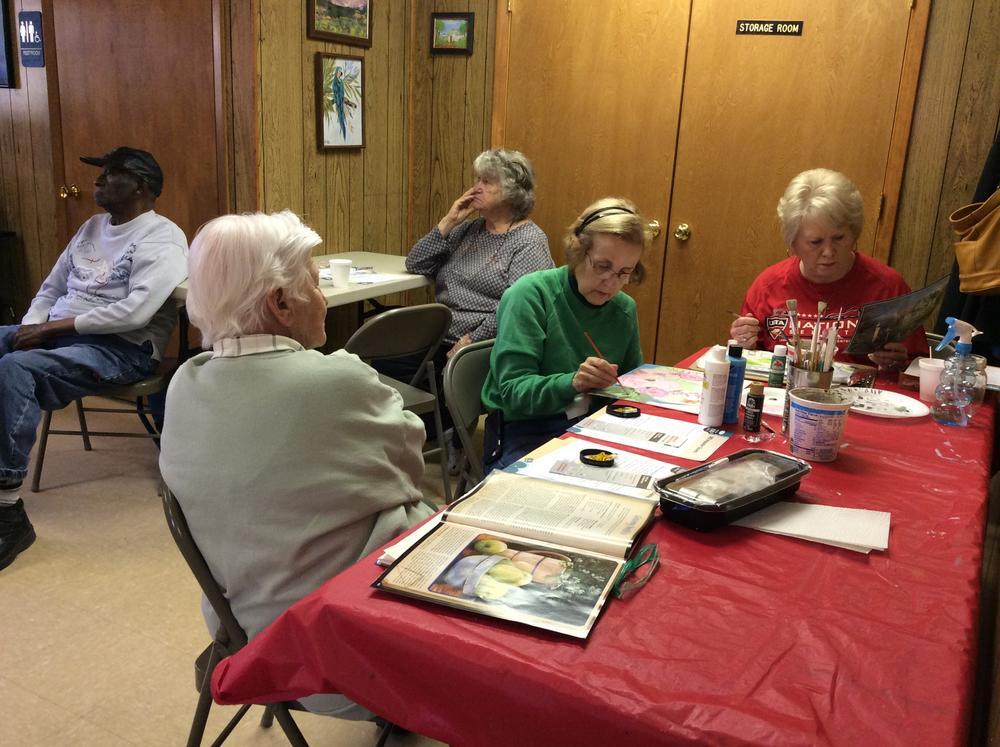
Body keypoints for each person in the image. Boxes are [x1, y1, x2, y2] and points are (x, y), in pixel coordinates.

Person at [159, 211, 434, 719]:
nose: (323, 295)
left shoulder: (184, 384)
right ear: (280, 303)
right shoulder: (337, 382)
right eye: (315, 278)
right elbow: (408, 471)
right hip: (342, 657)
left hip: (242, 633)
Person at [0, 146, 187, 571]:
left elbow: (136, 313)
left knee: (14, 371)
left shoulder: (163, 238)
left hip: (122, 349)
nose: (98, 181)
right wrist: (30, 329)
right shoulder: (91, 227)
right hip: (61, 334)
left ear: (140, 185)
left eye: (110, 174)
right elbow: (50, 290)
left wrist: (49, 331)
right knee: (10, 351)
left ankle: (8, 510)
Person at [480, 197, 650, 471]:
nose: (611, 282)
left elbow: (630, 387)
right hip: (526, 428)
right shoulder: (530, 295)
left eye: (624, 272)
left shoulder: (624, 309)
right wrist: (572, 382)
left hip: (594, 423)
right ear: (577, 250)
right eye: (602, 266)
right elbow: (513, 392)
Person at [730, 168, 928, 369]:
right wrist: (746, 344)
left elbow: (918, 368)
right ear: (793, 243)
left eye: (838, 238)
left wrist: (898, 363)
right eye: (815, 242)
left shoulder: (888, 287)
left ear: (854, 233)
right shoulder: (768, 285)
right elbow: (750, 361)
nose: (828, 252)